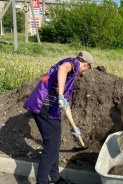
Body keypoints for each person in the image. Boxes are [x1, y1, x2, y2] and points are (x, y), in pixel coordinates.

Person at [23, 51, 94, 184]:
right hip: (44, 107)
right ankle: (42, 182)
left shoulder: (69, 76)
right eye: (88, 68)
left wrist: (73, 126)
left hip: (47, 108)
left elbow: (65, 103)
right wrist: (60, 95)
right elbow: (62, 69)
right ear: (86, 65)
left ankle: (55, 178)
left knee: (54, 144)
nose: (85, 71)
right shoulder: (73, 64)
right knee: (51, 147)